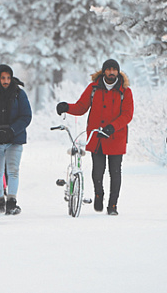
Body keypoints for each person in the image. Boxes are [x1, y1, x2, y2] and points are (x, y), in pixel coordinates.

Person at [56, 59, 134, 216]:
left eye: (114, 70)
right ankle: (99, 194)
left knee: (115, 172)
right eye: (109, 70)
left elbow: (127, 115)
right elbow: (81, 107)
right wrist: (67, 107)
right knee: (97, 171)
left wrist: (112, 127)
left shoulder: (125, 91)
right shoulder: (93, 88)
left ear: (118, 72)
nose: (111, 73)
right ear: (103, 71)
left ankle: (113, 205)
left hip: (116, 137)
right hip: (97, 136)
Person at [0, 64, 32, 215]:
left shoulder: (19, 94)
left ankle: (11, 200)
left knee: (13, 171)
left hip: (14, 138)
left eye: (8, 78)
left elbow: (26, 116)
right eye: (3, 78)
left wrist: (12, 130)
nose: (5, 81)